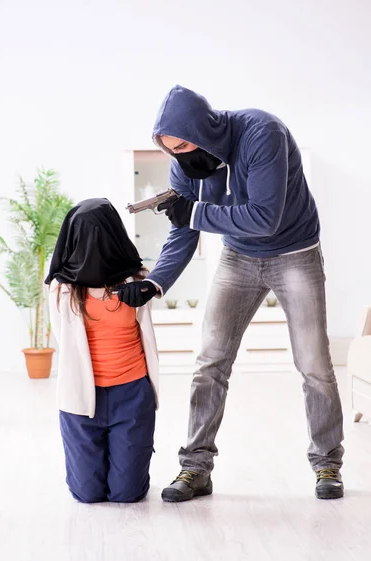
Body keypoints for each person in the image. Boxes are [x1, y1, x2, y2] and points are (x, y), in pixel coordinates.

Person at [117, 85, 344, 502]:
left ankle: (327, 462)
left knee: (314, 363)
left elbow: (265, 218)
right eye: (171, 150)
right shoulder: (182, 166)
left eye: (184, 145)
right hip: (238, 257)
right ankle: (195, 469)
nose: (180, 157)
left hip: (294, 252)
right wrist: (154, 282)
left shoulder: (262, 133)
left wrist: (197, 213)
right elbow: (183, 231)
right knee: (209, 362)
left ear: (205, 129)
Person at [46, 198, 159, 503]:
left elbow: (157, 289)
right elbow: (65, 339)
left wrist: (149, 286)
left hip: (131, 394)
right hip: (82, 398)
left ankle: (127, 462)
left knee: (127, 494)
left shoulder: (136, 282)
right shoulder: (62, 289)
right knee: (87, 494)